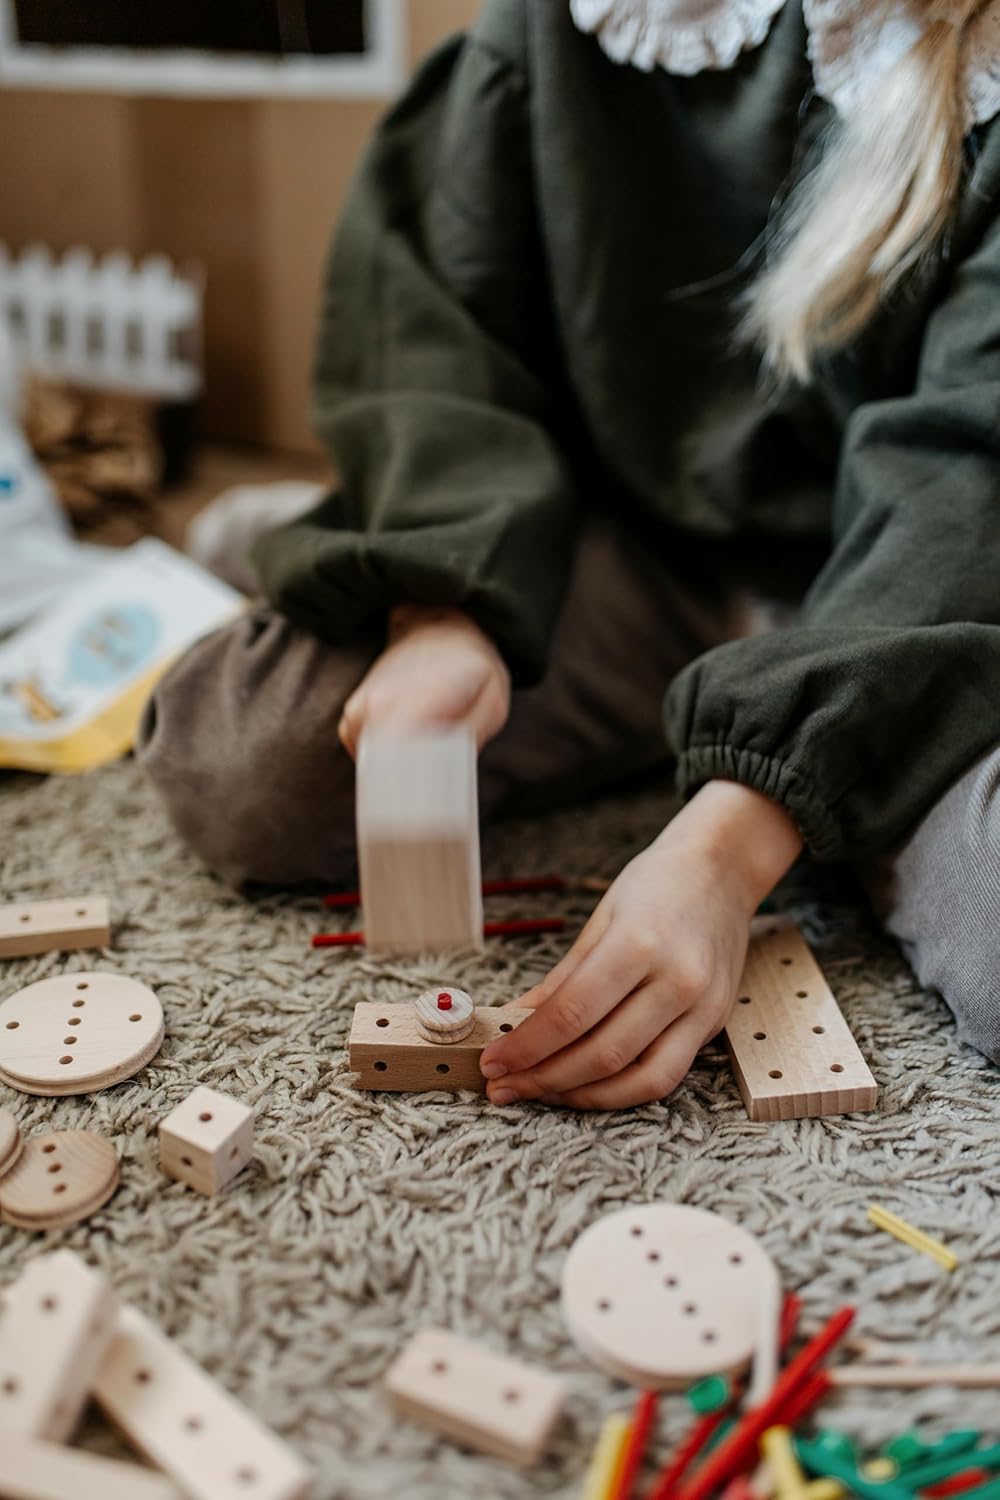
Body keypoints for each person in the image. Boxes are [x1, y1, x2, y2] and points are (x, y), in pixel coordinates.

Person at [139, 0, 1000, 1108]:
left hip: (916, 606)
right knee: (245, 759)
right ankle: (323, 535)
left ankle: (781, 757)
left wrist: (728, 850)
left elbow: (963, 480)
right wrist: (440, 607)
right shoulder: (576, 28)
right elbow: (436, 330)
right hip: (650, 551)